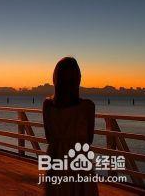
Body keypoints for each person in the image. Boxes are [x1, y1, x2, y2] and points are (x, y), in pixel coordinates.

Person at [43, 57, 98, 196]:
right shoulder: (88, 107)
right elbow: (89, 139)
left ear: (56, 78)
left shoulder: (48, 105)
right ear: (78, 79)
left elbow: (49, 137)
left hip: (56, 159)